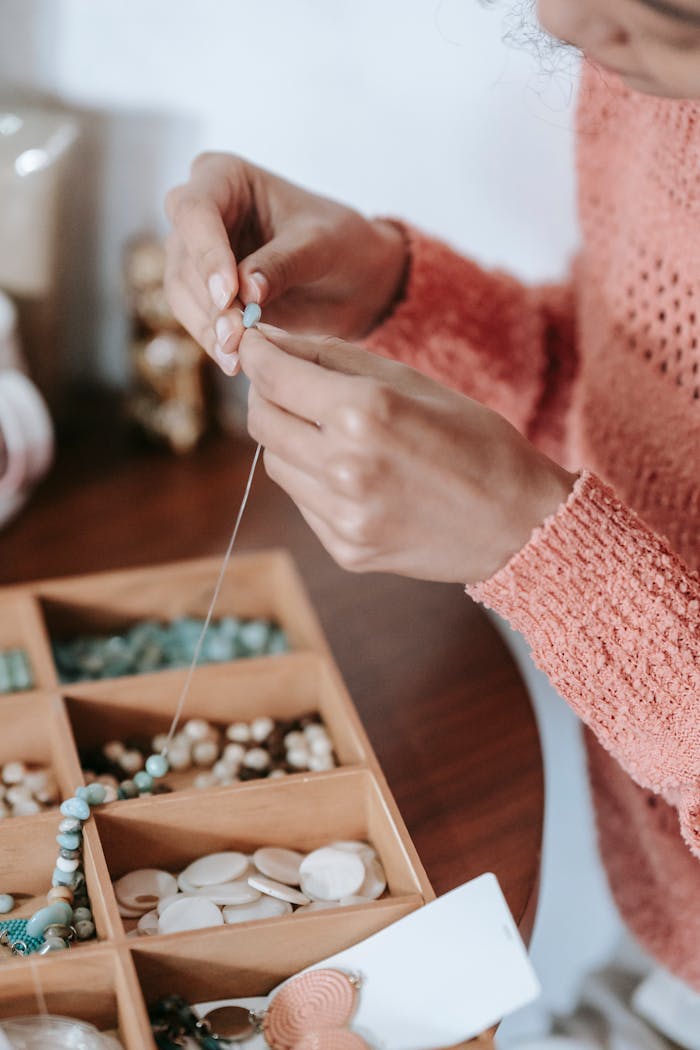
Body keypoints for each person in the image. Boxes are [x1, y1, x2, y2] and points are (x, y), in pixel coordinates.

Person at [164, 0, 700, 1043]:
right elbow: (632, 392)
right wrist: (385, 292)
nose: (562, 20)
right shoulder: (629, 55)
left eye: (671, 12)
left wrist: (543, 552)